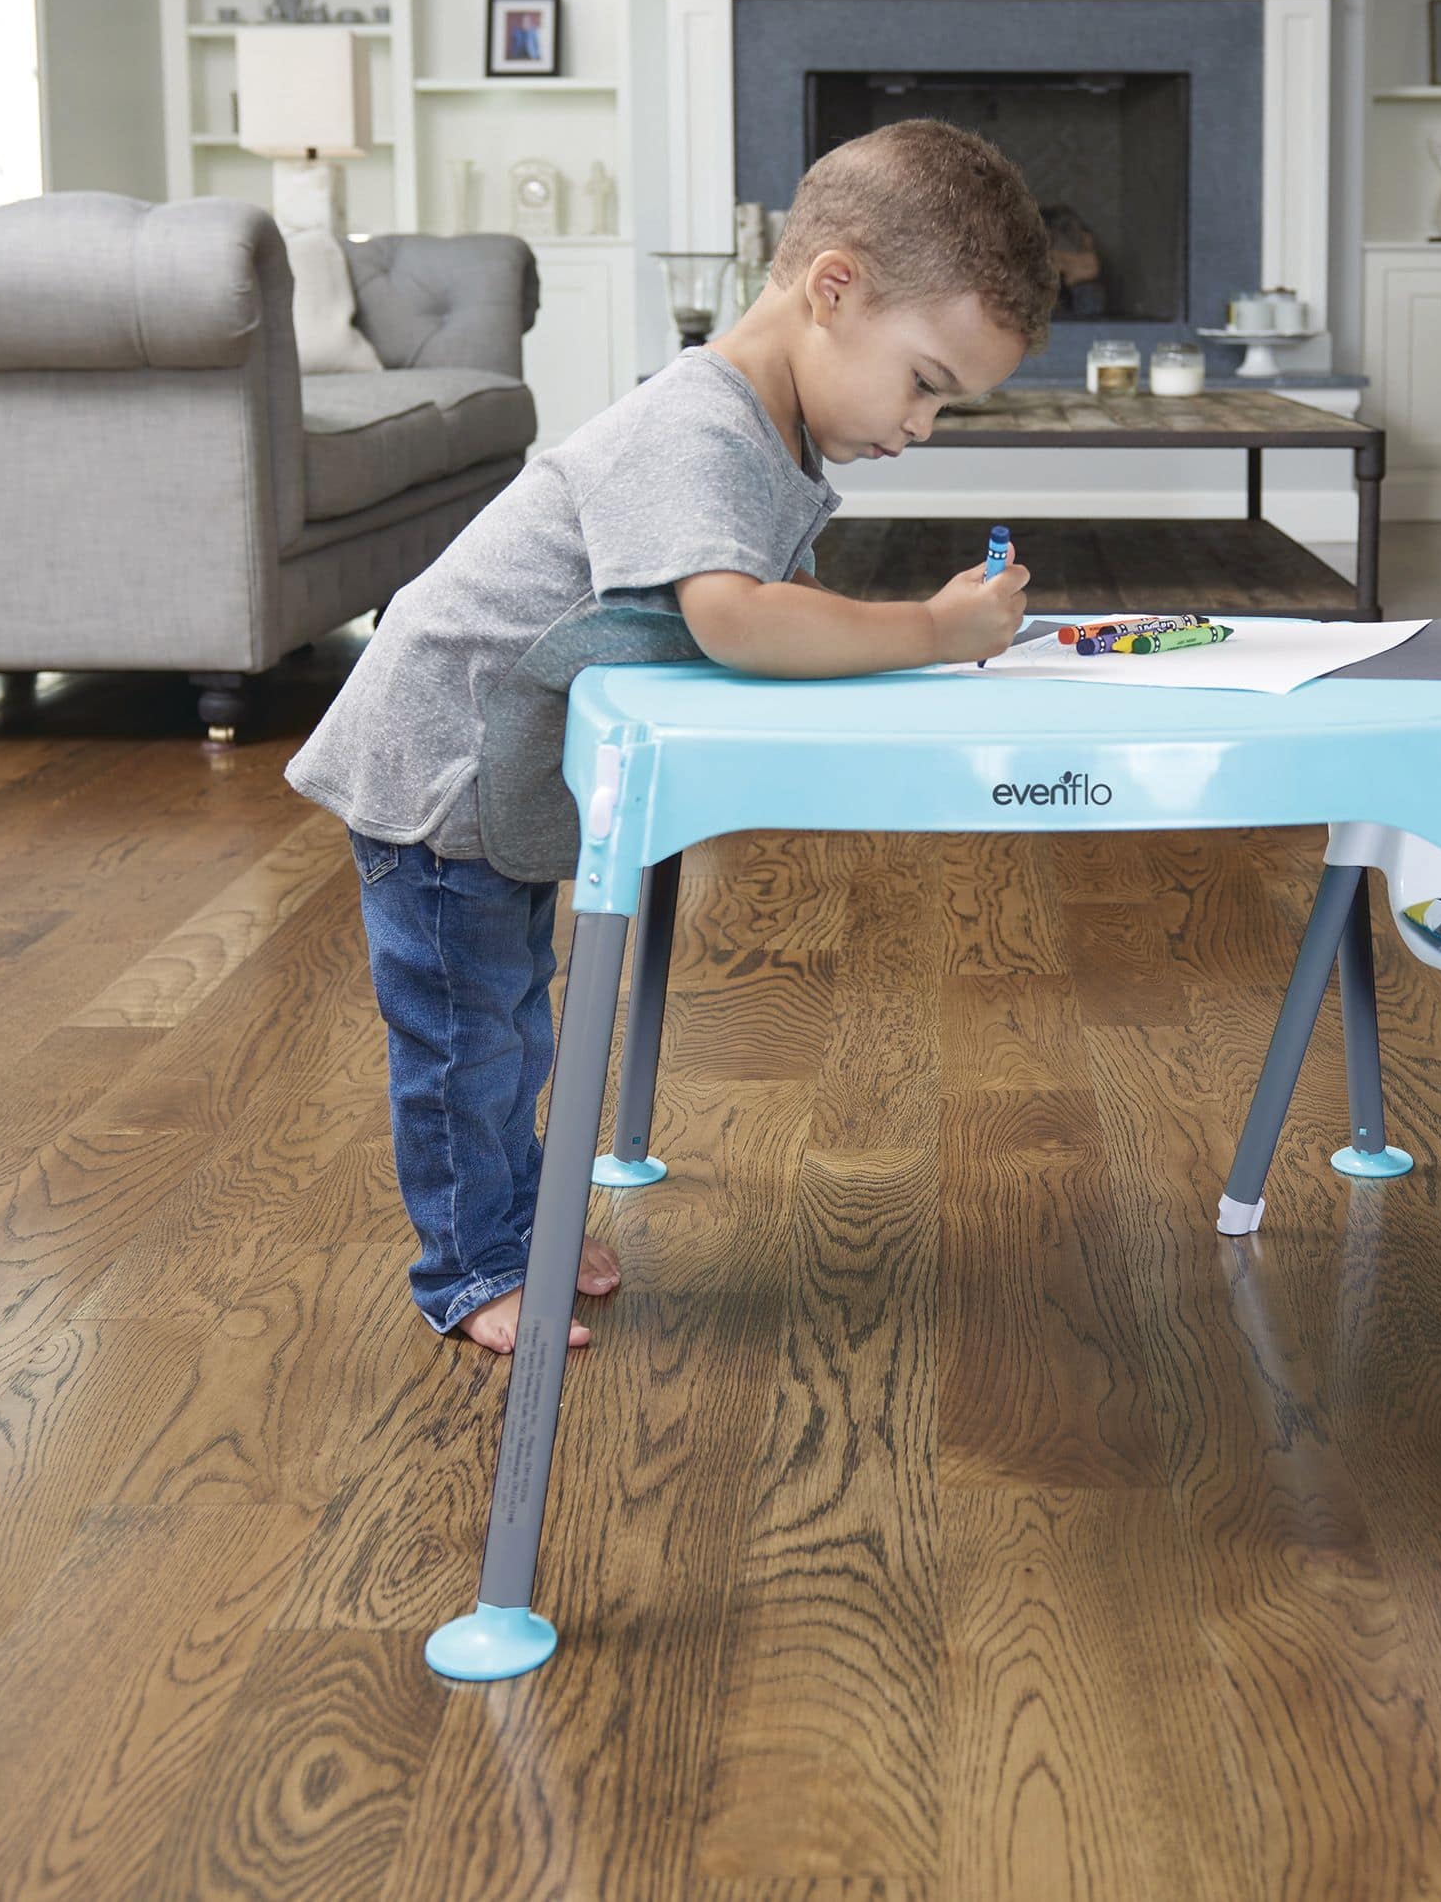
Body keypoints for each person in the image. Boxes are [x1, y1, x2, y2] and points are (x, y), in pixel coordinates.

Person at [286, 119, 1050, 1353]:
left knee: (515, 1023)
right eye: (924, 382)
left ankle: (514, 1223)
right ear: (832, 289)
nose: (921, 426)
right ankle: (472, 1267)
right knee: (468, 1040)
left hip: (508, 777)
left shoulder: (765, 428)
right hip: (443, 768)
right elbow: (735, 619)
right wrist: (928, 627)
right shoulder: (696, 425)